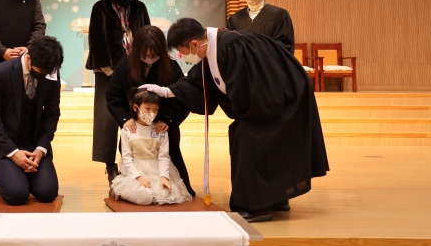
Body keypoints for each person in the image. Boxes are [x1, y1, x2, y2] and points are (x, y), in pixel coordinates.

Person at [140, 19, 329, 222]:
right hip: (273, 102)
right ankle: (276, 198)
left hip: (283, 101)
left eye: (182, 52)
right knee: (245, 133)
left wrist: (244, 112)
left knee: (246, 135)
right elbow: (199, 81)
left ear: (194, 44)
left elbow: (255, 87)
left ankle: (256, 207)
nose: (184, 57)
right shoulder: (216, 46)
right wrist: (168, 91)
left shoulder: (231, 47)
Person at [106, 25, 194, 196]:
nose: (149, 59)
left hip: (163, 127)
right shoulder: (124, 65)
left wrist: (168, 121)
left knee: (180, 184)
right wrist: (125, 120)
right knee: (134, 170)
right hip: (135, 127)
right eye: (145, 55)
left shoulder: (171, 66)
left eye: (154, 55)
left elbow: (181, 98)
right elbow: (113, 97)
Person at [0, 36, 64, 206]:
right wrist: (13, 153)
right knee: (16, 195)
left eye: (48, 72)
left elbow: (52, 115)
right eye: (40, 72)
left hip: (34, 144)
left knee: (48, 193)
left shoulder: (51, 72)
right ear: (28, 58)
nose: (44, 75)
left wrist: (41, 149)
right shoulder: (0, 72)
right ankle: (0, 175)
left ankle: (24, 175)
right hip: (5, 145)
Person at [86, 0, 151, 185]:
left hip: (136, 70)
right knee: (106, 118)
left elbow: (147, 36)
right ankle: (110, 165)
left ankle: (132, 162)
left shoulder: (140, 8)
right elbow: (97, 42)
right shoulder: (100, 7)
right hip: (108, 71)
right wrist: (112, 71)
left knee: (135, 115)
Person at [109, 89, 193, 206]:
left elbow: (164, 156)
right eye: (147, 108)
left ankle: (146, 192)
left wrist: (164, 177)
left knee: (167, 194)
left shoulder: (160, 130)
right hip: (135, 171)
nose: (151, 113)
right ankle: (120, 191)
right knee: (145, 198)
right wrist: (138, 177)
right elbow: (127, 158)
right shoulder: (127, 130)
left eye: (155, 109)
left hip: (155, 170)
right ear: (135, 108)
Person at [226, 0, 294, 53]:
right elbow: (229, 48)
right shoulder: (235, 19)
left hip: (267, 61)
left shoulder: (279, 15)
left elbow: (284, 48)